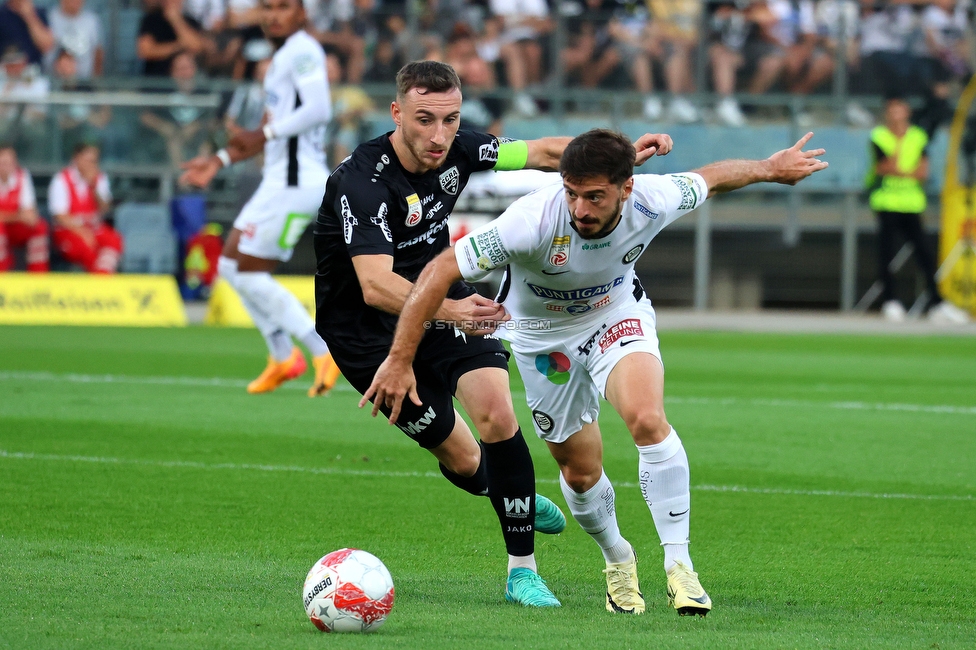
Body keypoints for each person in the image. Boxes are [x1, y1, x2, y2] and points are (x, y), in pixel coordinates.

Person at [362, 128, 829, 616]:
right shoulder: (530, 222)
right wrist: (399, 359)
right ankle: (618, 558)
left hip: (615, 316)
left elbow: (710, 179)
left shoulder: (654, 198)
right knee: (580, 474)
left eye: (595, 196)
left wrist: (770, 169)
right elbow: (440, 271)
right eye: (572, 194)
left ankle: (680, 566)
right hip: (542, 339)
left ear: (627, 188)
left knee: (647, 420)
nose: (581, 208)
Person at [312, 60, 665, 608]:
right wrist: (451, 309)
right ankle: (506, 492)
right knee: (463, 459)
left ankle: (521, 571)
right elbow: (376, 285)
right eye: (424, 120)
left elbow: (546, 153)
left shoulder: (459, 147)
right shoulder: (361, 181)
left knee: (499, 415)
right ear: (396, 112)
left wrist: (616, 155)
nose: (439, 135)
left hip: (445, 307)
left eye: (450, 120)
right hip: (365, 336)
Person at [180, 0, 341, 396]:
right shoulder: (283, 56)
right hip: (279, 180)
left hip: (294, 182)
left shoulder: (303, 50)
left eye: (283, 7)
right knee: (233, 269)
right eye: (266, 7)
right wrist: (218, 160)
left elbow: (320, 108)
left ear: (301, 13)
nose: (272, 15)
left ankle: (321, 350)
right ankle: (282, 356)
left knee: (247, 270)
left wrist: (264, 136)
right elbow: (268, 129)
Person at [866, 96, 970, 324]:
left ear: (907, 112)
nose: (896, 114)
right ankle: (891, 301)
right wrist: (903, 165)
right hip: (887, 201)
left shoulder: (917, 136)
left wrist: (902, 169)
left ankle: (937, 304)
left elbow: (923, 172)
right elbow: (884, 166)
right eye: (891, 110)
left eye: (899, 109)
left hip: (912, 203)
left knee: (925, 254)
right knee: (887, 254)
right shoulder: (879, 136)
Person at [48, 142, 122, 274]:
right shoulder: (61, 179)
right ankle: (98, 282)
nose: (91, 165)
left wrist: (93, 187)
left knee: (114, 241)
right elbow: (59, 215)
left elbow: (105, 208)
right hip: (69, 230)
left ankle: (103, 279)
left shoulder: (99, 178)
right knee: (87, 248)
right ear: (76, 159)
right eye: (88, 160)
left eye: (94, 161)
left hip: (93, 228)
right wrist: (83, 232)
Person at [0, 143, 48, 272]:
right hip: (4, 228)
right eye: (3, 162)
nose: (7, 166)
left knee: (39, 226)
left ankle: (38, 277)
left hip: (14, 228)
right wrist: (17, 216)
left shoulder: (22, 176)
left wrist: (11, 216)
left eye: (11, 162)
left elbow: (29, 213)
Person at [137, 0, 207, 77]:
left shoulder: (191, 21)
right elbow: (145, 51)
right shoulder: (151, 20)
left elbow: (196, 47)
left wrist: (175, 20)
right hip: (157, 79)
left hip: (187, 81)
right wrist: (178, 46)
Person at [45, 0, 103, 78]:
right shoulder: (49, 17)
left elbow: (98, 53)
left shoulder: (91, 20)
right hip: (52, 81)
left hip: (84, 83)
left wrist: (95, 82)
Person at [0, 0, 55, 66]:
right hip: (7, 69)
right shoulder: (2, 15)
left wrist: (29, 16)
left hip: (34, 69)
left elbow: (47, 46)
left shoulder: (39, 13)